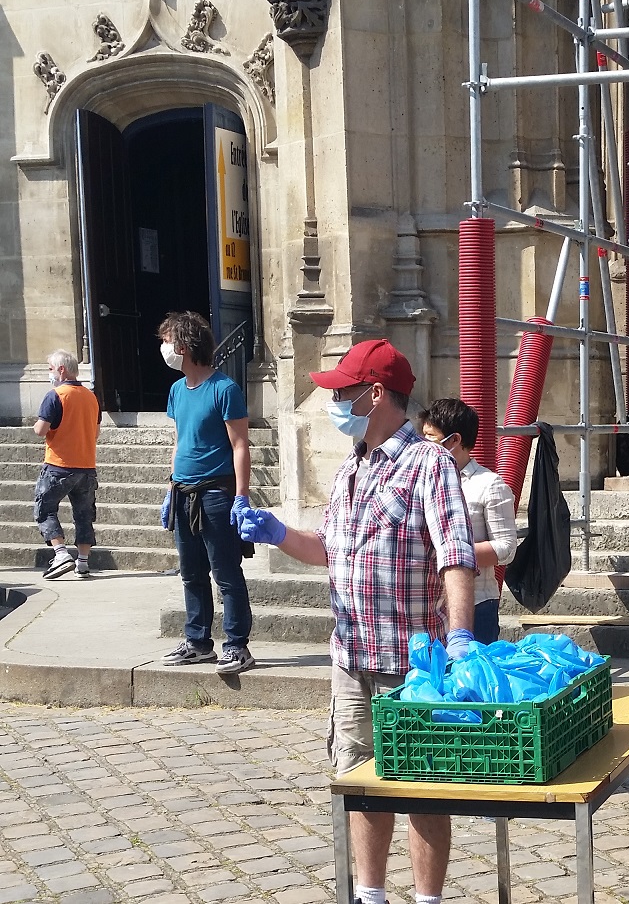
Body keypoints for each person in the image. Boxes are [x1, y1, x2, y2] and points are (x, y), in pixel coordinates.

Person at [234, 338, 476, 904]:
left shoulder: (429, 463)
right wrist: (277, 533)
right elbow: (329, 549)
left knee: (420, 791)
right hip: (349, 659)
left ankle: (427, 899)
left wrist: (461, 635)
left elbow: (456, 554)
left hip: (409, 664)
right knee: (358, 786)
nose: (333, 402)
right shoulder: (350, 468)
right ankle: (369, 895)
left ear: (373, 394)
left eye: (342, 391)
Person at [157, 312, 255, 676]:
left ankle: (237, 645)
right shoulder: (177, 391)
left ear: (183, 346)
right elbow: (180, 440)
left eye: (166, 341)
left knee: (226, 572)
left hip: (216, 493)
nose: (163, 348)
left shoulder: (224, 389)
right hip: (184, 492)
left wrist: (241, 497)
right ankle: (198, 642)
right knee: (190, 572)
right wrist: (171, 486)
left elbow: (240, 444)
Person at [418, 398, 517, 645]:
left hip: (476, 603)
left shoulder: (489, 484)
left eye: (431, 436)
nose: (424, 444)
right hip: (428, 603)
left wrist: (451, 555)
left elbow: (506, 548)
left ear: (455, 440)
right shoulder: (420, 479)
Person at [32, 350, 100, 579]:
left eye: (50, 368)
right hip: (86, 465)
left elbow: (41, 430)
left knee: (45, 508)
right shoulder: (91, 397)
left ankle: (60, 553)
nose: (49, 373)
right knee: (84, 514)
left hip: (59, 464)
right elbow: (96, 432)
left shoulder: (56, 395)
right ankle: (83, 562)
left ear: (61, 369)